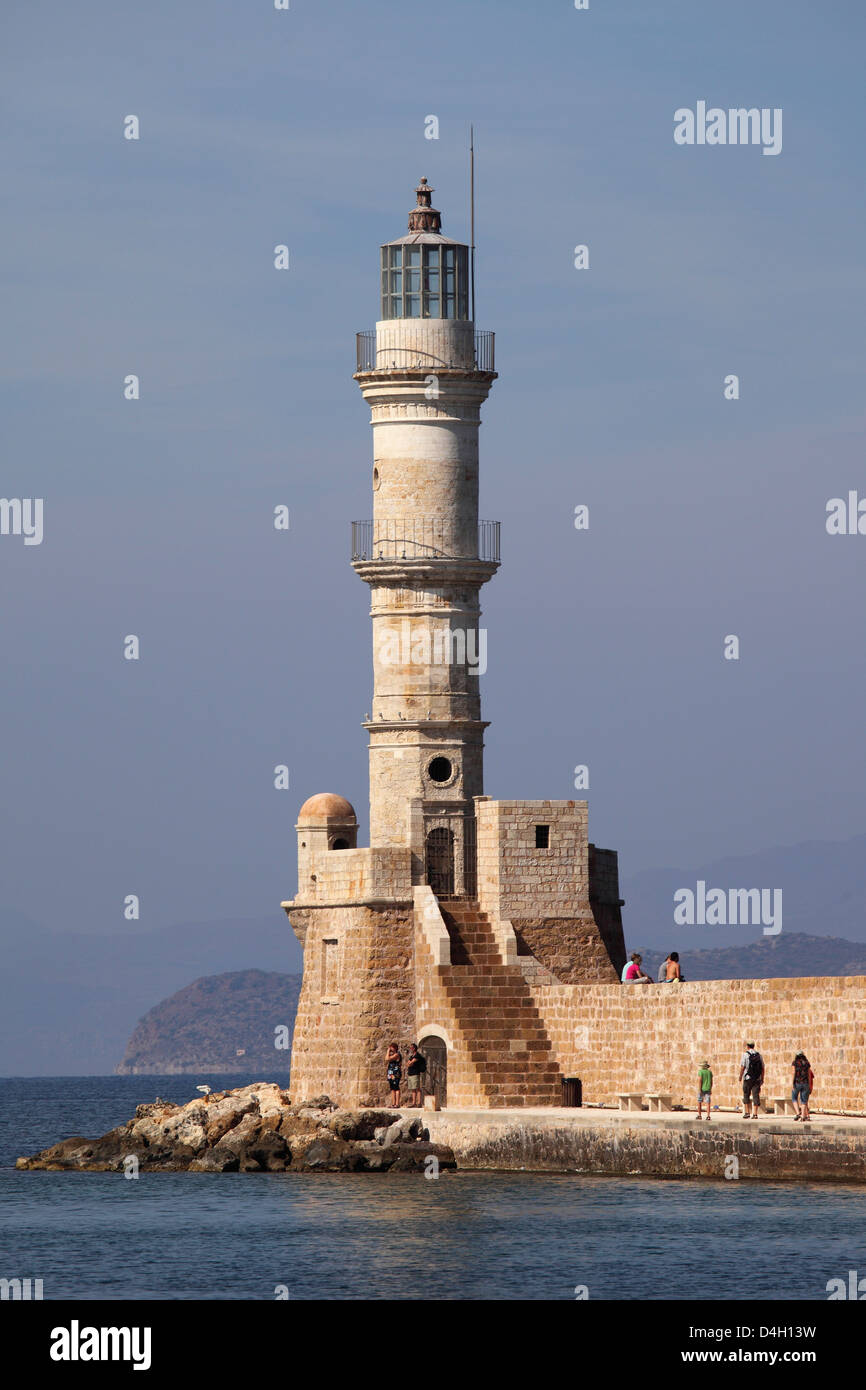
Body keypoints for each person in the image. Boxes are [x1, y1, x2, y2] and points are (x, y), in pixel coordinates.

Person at [739, 1040, 764, 1118]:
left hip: (748, 1077)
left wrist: (740, 1076)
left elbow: (743, 1067)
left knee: (746, 1094)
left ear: (747, 1046)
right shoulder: (759, 1055)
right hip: (757, 1078)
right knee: (755, 1095)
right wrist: (762, 1078)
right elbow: (763, 1068)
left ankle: (747, 1112)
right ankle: (755, 1114)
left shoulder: (745, 1055)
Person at [791, 1050, 814, 1121]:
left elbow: (793, 1073)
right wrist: (809, 1084)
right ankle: (803, 1116)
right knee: (804, 1100)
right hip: (805, 1083)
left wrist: (792, 1083)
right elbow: (809, 1075)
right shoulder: (807, 1063)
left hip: (797, 1083)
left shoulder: (795, 1063)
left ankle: (798, 1113)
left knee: (794, 1098)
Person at [406, 1042, 426, 1108]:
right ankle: (414, 1102)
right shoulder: (412, 1056)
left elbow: (410, 1063)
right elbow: (408, 1064)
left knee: (417, 1088)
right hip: (410, 1073)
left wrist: (410, 1063)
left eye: (411, 1048)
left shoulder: (417, 1056)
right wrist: (409, 1063)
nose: (410, 1049)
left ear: (414, 1048)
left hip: (415, 1073)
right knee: (413, 1089)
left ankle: (419, 1102)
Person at [385, 1043, 402, 1108]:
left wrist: (388, 1051)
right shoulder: (392, 1054)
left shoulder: (397, 1054)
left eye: (391, 1048)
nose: (390, 1049)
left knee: (396, 1087)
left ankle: (397, 1103)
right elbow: (386, 1058)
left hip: (395, 1073)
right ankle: (393, 1103)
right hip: (390, 1073)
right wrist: (388, 1052)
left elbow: (387, 1059)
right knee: (392, 1088)